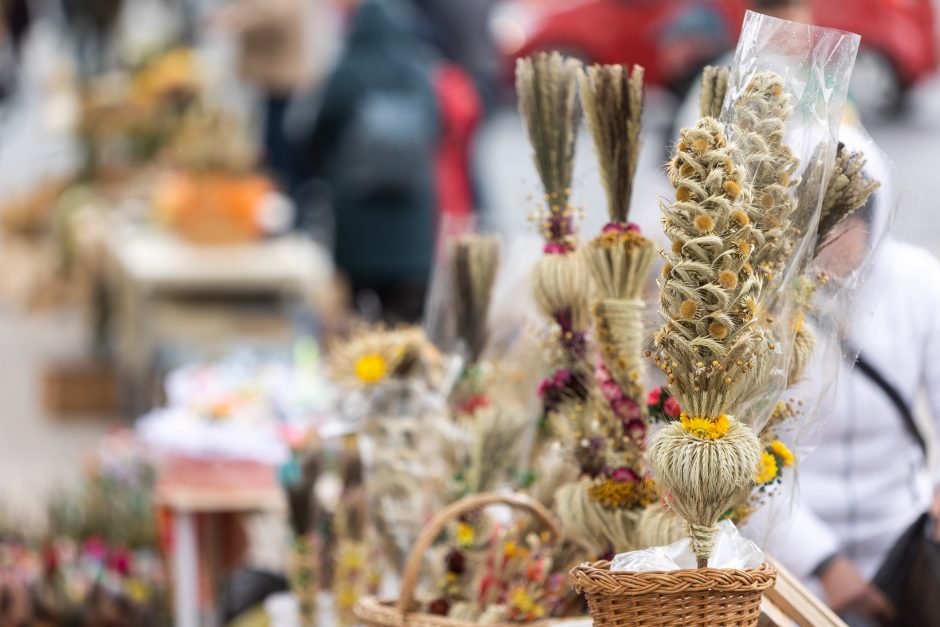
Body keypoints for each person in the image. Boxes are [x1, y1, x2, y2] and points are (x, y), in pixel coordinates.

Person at [291, 0, 440, 323]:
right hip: (412, 238)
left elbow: (316, 132)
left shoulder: (346, 73)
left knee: (361, 326)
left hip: (358, 232)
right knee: (408, 330)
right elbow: (435, 128)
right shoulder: (418, 71)